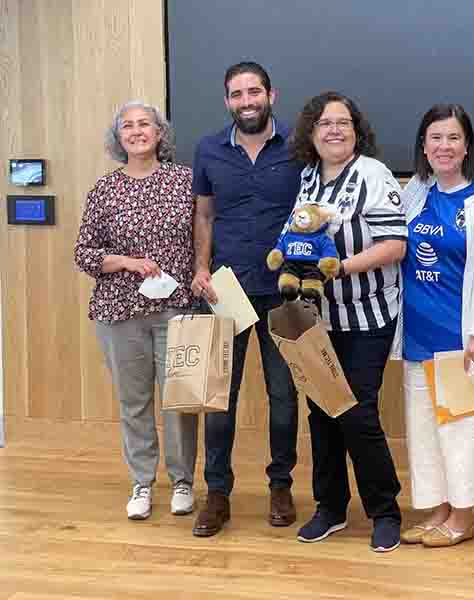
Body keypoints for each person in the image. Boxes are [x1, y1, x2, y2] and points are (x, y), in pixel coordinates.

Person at [285, 91, 407, 553]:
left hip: (367, 315)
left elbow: (395, 244)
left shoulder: (374, 175)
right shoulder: (308, 178)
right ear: (311, 133)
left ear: (357, 130)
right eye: (324, 123)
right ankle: (330, 507)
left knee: (357, 412)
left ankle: (384, 510)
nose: (334, 130)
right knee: (321, 412)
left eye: (343, 122)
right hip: (317, 317)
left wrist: (339, 266)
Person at [394, 104, 474, 547]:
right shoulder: (414, 192)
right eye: (435, 138)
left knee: (462, 430)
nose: (443, 147)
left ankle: (463, 515)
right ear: (423, 146)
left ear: (467, 146)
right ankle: (438, 508)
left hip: (463, 340)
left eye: (453, 138)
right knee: (424, 430)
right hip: (416, 335)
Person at [190, 61, 303, 536]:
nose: (247, 101)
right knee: (220, 397)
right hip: (226, 288)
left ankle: (281, 484)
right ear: (227, 102)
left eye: (254, 92)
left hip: (284, 291)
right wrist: (199, 267)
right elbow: (205, 216)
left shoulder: (299, 147)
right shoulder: (209, 149)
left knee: (284, 394)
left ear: (271, 95)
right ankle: (217, 493)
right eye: (237, 94)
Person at [75, 100, 198, 521]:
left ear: (160, 133)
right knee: (134, 402)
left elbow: (204, 235)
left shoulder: (185, 182)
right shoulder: (104, 189)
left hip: (177, 309)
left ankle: (183, 481)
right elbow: (85, 253)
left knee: (179, 402)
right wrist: (126, 261)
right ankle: (141, 483)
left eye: (145, 123)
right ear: (118, 138)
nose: (137, 131)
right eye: (127, 126)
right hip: (119, 311)